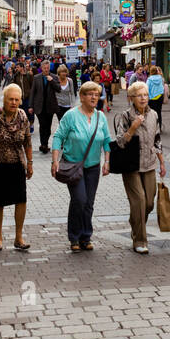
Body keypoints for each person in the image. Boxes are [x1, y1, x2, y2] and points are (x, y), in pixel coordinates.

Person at [51, 82, 114, 252]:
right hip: (73, 165)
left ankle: (86, 237)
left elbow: (107, 141)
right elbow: (58, 137)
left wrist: (107, 161)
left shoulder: (100, 117)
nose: (94, 97)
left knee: (89, 203)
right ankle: (74, 236)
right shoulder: (71, 116)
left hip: (93, 166)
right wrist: (55, 160)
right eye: (90, 94)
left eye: (96, 94)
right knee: (79, 199)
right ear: (82, 97)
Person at [114, 81, 166, 253]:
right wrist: (133, 127)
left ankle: (135, 222)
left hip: (149, 162)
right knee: (139, 200)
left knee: (149, 203)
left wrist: (162, 162)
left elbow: (157, 138)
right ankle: (140, 241)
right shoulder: (125, 116)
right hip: (131, 165)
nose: (143, 98)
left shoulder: (154, 115)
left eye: (145, 95)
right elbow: (120, 142)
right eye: (139, 95)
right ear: (131, 98)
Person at [0, 84, 34, 251]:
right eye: (10, 99)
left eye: (17, 99)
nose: (14, 102)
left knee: (21, 199)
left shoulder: (23, 116)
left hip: (17, 164)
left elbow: (27, 141)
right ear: (4, 99)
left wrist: (30, 163)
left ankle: (18, 237)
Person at [31, 60, 57, 153]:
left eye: (48, 68)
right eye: (44, 68)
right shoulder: (36, 77)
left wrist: (52, 81)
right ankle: (43, 145)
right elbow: (33, 92)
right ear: (41, 68)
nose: (46, 70)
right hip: (39, 106)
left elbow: (58, 89)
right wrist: (31, 106)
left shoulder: (54, 77)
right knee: (42, 125)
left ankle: (45, 143)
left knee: (48, 127)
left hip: (50, 106)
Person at [146, 65, 167, 134]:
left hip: (152, 98)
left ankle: (153, 128)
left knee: (151, 114)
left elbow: (147, 88)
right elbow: (162, 87)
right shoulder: (160, 78)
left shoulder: (149, 79)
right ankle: (159, 127)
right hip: (159, 97)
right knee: (159, 112)